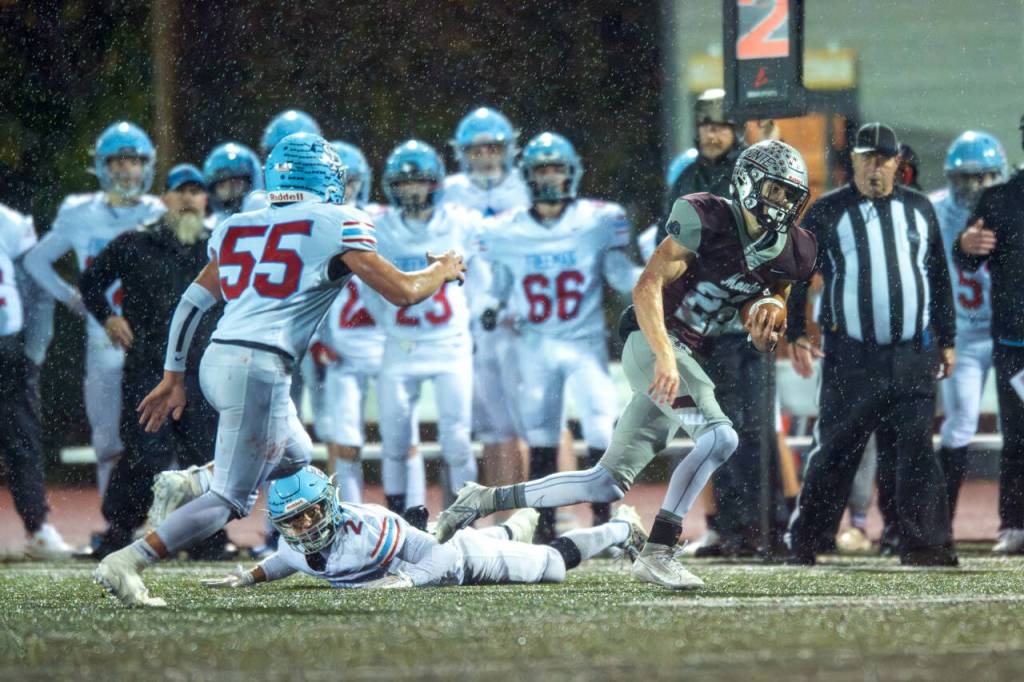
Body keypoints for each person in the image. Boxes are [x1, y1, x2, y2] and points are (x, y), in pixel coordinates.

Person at [93, 133, 467, 607]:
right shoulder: (338, 222)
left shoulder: (239, 224)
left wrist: (173, 374)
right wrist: (444, 269)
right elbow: (405, 292)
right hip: (260, 366)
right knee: (231, 500)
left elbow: (193, 301)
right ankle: (127, 561)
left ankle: (191, 481)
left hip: (218, 358)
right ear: (325, 176)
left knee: (296, 455)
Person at [436, 140, 817, 589]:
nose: (783, 203)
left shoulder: (796, 247)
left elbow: (777, 288)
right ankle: (660, 549)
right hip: (651, 341)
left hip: (693, 350)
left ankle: (481, 499)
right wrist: (663, 355)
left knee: (606, 482)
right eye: (775, 190)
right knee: (720, 436)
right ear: (749, 182)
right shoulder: (707, 217)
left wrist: (768, 309)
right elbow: (646, 285)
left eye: (791, 195)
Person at [786, 123, 957, 567]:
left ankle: (925, 543)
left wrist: (948, 338)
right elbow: (799, 272)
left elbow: (937, 276)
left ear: (898, 163)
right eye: (868, 158)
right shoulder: (828, 211)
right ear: (855, 162)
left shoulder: (919, 208)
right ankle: (808, 539)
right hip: (852, 356)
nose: (876, 167)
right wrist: (795, 332)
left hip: (912, 353)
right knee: (837, 450)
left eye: (884, 159)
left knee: (917, 450)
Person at [480, 132, 640, 541]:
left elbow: (620, 273)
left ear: (572, 173)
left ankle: (604, 521)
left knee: (602, 426)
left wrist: (656, 284)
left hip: (584, 341)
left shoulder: (597, 219)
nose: (550, 177)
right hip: (536, 344)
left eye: (556, 168)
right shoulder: (505, 230)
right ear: (528, 176)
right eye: (542, 169)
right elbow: (497, 286)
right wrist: (491, 308)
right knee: (541, 437)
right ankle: (544, 524)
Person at [78, 165, 230, 559]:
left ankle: (208, 539)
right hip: (149, 367)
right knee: (147, 453)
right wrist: (109, 316)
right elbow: (91, 281)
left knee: (205, 455)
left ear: (205, 200)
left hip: (203, 369)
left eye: (196, 192)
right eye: (180, 191)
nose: (188, 199)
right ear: (163, 199)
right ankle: (119, 530)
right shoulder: (135, 242)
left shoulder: (217, 246)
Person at [198, 465, 646, 590]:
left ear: (330, 505)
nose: (305, 525)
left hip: (458, 558)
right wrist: (249, 578)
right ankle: (514, 527)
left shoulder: (367, 526)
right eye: (293, 520)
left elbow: (443, 556)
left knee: (552, 565)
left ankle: (621, 529)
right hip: (434, 544)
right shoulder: (297, 543)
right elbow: (284, 559)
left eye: (311, 513)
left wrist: (407, 581)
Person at [24, 122, 165, 499]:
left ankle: (164, 526)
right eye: (117, 161)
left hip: (151, 343)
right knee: (107, 441)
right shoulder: (80, 212)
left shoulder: (160, 211)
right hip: (103, 341)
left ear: (146, 165)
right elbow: (37, 261)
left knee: (160, 437)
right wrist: (75, 298)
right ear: (103, 166)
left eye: (133, 161)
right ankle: (114, 526)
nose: (125, 169)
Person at [362, 140, 482, 515]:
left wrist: (472, 317)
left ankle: (464, 519)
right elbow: (370, 289)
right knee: (395, 440)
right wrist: (391, 321)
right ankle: (401, 517)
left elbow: (483, 279)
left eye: (418, 182)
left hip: (449, 343)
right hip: (401, 342)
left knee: (457, 440)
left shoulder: (461, 221)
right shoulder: (377, 226)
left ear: (436, 183)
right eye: (402, 183)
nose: (411, 190)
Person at [441, 107, 531, 489]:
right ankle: (499, 510)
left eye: (493, 148)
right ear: (462, 153)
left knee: (541, 420)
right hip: (474, 320)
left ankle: (556, 510)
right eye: (476, 151)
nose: (486, 157)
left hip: (523, 318)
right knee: (493, 425)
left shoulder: (529, 183)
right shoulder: (448, 192)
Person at [955, 117, 1024, 555]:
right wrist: (964, 247)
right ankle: (1015, 524)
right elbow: (967, 264)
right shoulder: (998, 198)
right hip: (1016, 341)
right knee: (1017, 435)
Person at [931, 131, 1007, 520]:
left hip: (1009, 335)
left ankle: (1014, 520)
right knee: (961, 423)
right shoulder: (934, 211)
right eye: (965, 178)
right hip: (961, 337)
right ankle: (941, 520)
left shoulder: (1012, 206)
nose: (975, 187)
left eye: (983, 177)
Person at [0, 201, 72, 559]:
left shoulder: (10, 223)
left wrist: (33, 349)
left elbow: (40, 287)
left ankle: (37, 528)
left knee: (21, 440)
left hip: (6, 346)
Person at [203, 142, 263, 225]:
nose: (229, 189)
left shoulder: (265, 212)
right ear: (213, 191)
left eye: (236, 181)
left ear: (250, 181)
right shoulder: (212, 227)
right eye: (222, 184)